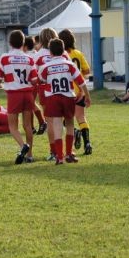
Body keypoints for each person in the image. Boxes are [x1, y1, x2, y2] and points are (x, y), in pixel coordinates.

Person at [38, 38, 91, 164]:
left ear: (50, 52)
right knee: (70, 124)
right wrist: (86, 96)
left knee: (57, 125)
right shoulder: (70, 65)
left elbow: (41, 80)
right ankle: (69, 154)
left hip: (53, 97)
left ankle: (59, 157)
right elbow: (81, 82)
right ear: (63, 51)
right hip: (68, 96)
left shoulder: (46, 67)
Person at [0, 30, 38, 164]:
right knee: (28, 126)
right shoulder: (29, 59)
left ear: (10, 43)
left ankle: (22, 146)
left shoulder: (5, 58)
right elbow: (34, 79)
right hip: (28, 94)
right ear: (23, 43)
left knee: (13, 126)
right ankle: (30, 155)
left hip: (14, 94)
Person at [34, 28, 69, 160]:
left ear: (41, 39)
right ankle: (66, 150)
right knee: (61, 121)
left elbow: (35, 75)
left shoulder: (38, 55)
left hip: (46, 90)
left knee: (50, 122)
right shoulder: (63, 53)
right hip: (63, 89)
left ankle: (54, 152)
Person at [59, 29, 93, 155]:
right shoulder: (78, 54)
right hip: (80, 91)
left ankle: (75, 132)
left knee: (63, 119)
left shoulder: (61, 56)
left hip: (66, 91)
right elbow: (87, 70)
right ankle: (88, 143)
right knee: (81, 117)